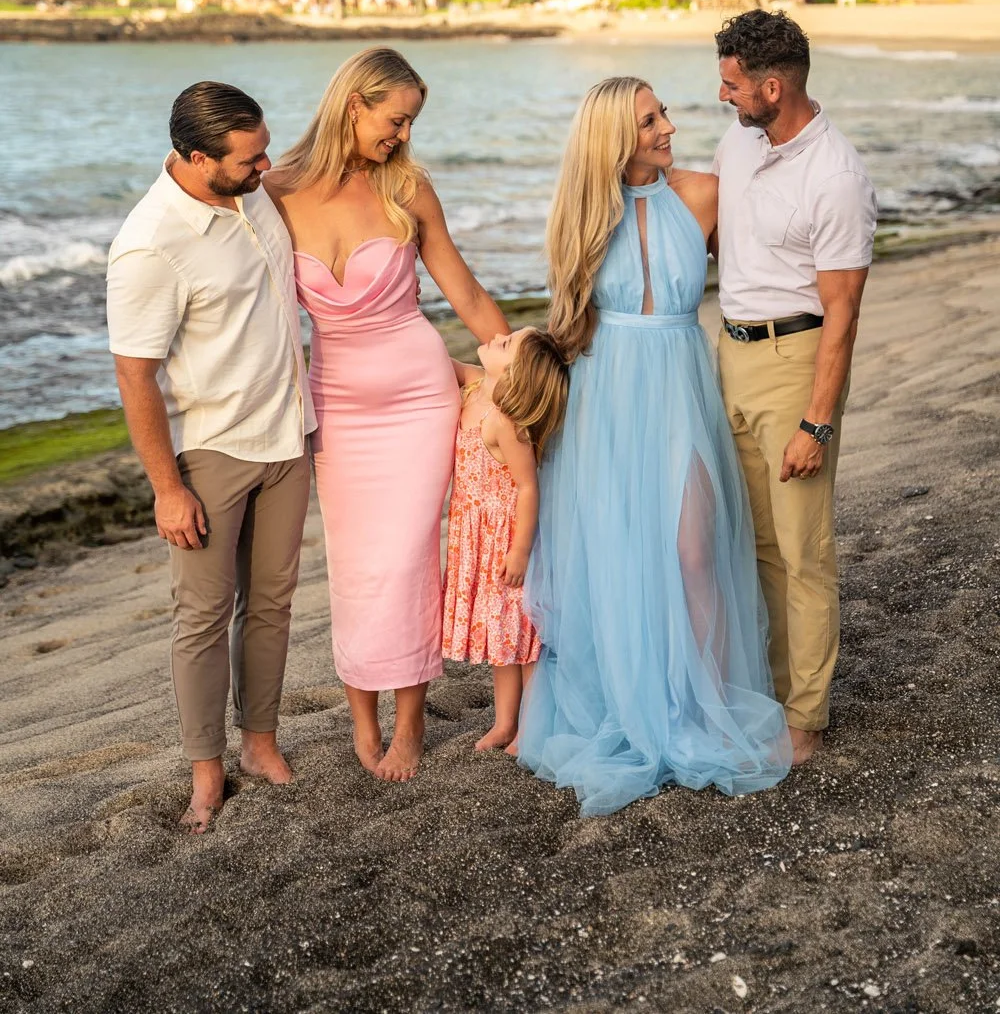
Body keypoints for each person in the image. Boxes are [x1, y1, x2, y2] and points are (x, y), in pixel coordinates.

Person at [518, 77, 791, 817]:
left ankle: (704, 708)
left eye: (663, 112)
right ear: (615, 137)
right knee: (617, 552)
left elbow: (766, 264)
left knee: (695, 550)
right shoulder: (580, 214)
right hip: (605, 398)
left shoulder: (703, 194)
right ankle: (630, 703)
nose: (668, 126)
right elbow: (567, 324)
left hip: (678, 387)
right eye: (649, 120)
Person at [266, 48, 508, 783]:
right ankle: (360, 719)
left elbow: (463, 291)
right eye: (394, 119)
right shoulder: (273, 192)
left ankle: (409, 724)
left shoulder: (407, 188)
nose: (401, 135)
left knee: (406, 559)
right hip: (336, 404)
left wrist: (509, 370)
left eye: (409, 123)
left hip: (415, 396)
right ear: (352, 106)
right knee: (355, 566)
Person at [106, 82, 315, 834]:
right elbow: (136, 374)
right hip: (212, 452)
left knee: (273, 603)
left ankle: (260, 743)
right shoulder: (149, 245)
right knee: (201, 617)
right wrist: (167, 488)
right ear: (200, 160)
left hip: (290, 437)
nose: (267, 167)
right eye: (252, 159)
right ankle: (205, 770)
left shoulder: (252, 191)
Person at [713, 10, 877, 766]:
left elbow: (842, 311)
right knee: (759, 546)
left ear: (772, 87)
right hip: (732, 354)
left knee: (804, 550)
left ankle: (805, 718)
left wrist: (817, 423)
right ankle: (773, 694)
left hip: (796, 359)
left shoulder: (835, 174)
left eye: (733, 84)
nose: (723, 96)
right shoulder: (738, 143)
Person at [442, 327, 569, 754]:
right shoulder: (475, 384)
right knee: (502, 638)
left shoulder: (505, 421)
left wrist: (519, 551)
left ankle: (531, 726)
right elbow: (438, 363)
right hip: (473, 535)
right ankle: (504, 723)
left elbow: (527, 487)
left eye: (509, 342)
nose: (499, 334)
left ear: (517, 373)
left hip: (504, 541)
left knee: (523, 639)